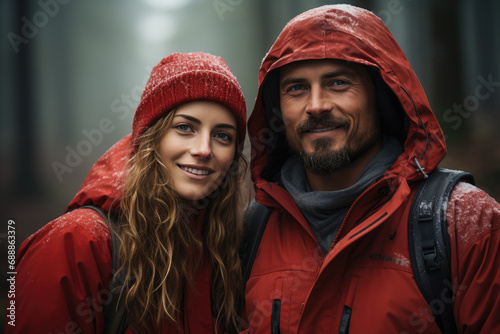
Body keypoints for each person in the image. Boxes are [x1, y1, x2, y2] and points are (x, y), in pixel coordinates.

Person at [243, 5, 500, 333]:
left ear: (381, 98)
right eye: (296, 88)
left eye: (337, 82)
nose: (316, 104)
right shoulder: (252, 231)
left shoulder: (466, 224)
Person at [6, 52, 248, 334]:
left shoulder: (225, 248)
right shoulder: (76, 243)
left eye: (222, 135)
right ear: (151, 137)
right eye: (184, 127)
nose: (204, 149)